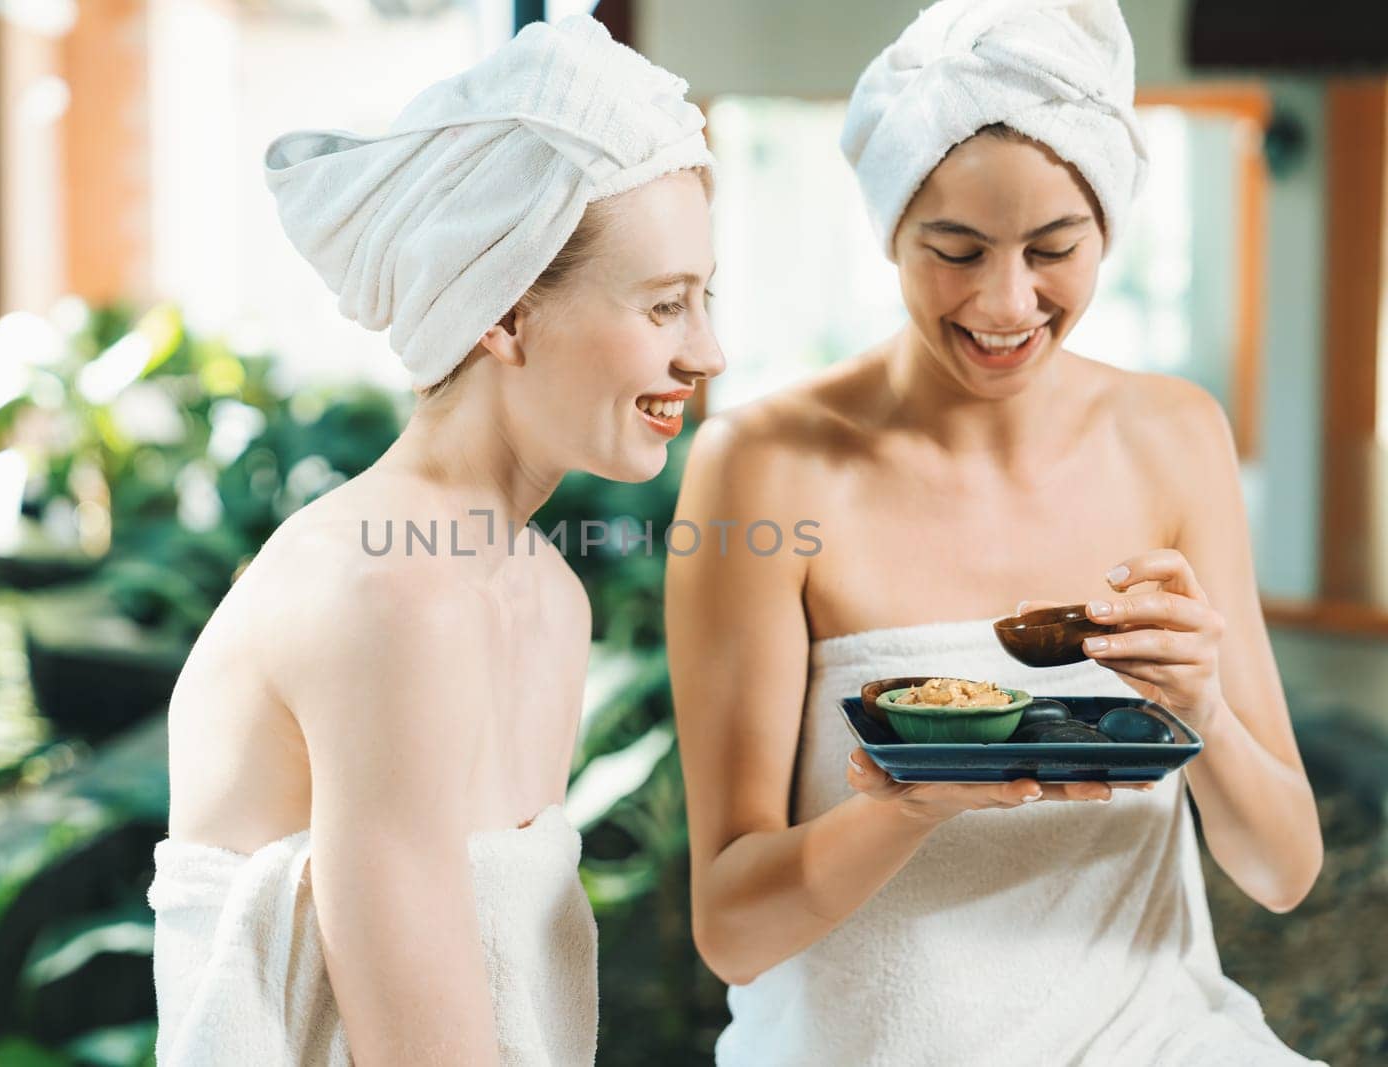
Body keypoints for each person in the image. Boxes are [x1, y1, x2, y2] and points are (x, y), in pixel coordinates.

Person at [666, 1, 1324, 1064]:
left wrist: (1202, 706)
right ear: (890, 234)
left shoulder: (1174, 435)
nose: (1005, 301)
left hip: (1151, 1038)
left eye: (1053, 248)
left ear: (1104, 230)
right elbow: (733, 927)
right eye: (955, 250)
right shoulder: (762, 465)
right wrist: (908, 804)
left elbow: (1283, 870)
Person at [147, 16, 723, 1065]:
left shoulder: (546, 591)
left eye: (705, 299)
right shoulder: (387, 593)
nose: (707, 351)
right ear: (503, 314)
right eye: (664, 306)